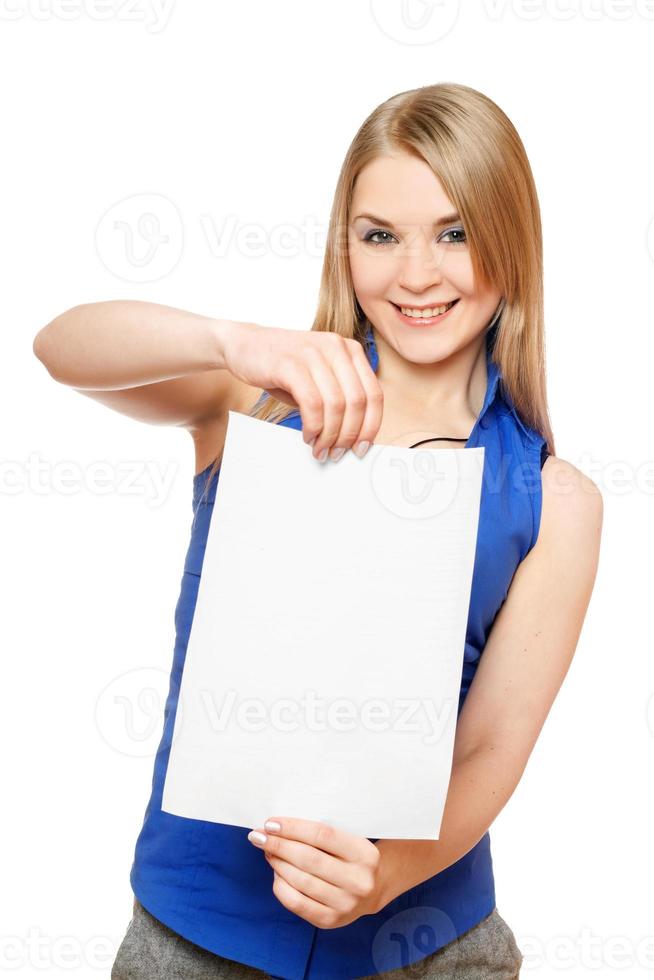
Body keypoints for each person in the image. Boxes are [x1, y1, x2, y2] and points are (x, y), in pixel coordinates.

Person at [33, 82, 603, 979]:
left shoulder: (556, 498)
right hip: (194, 934)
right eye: (381, 235)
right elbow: (61, 349)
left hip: (428, 946)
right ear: (347, 246)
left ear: (511, 242)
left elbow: (494, 742)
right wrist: (229, 341)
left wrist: (384, 879)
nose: (416, 274)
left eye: (454, 233)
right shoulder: (258, 400)